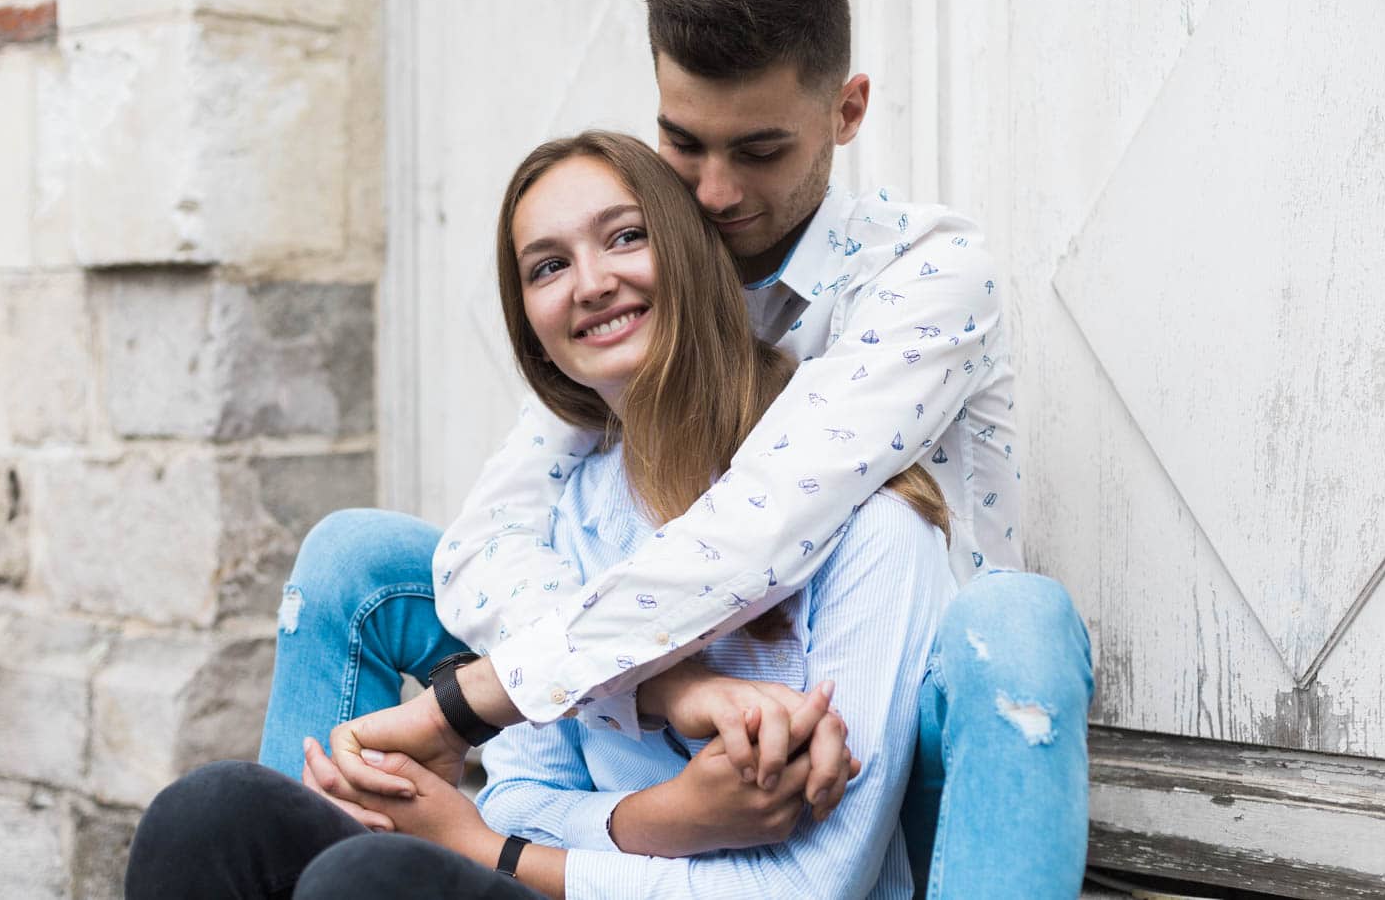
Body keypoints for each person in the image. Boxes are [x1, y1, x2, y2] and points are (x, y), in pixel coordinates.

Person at [252, 0, 1094, 897]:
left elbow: (761, 526)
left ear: (846, 110)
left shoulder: (928, 276)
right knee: (357, 560)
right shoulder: (656, 266)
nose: (715, 191)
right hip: (687, 702)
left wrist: (467, 707)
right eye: (684, 144)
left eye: (760, 149)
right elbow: (497, 527)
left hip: (910, 705)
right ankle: (290, 860)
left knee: (1021, 619)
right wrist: (659, 691)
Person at [126, 131, 960, 898]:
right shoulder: (561, 518)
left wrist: (491, 848)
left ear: (692, 250)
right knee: (208, 811)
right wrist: (663, 816)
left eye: (625, 236)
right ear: (531, 321)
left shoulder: (876, 529)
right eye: (547, 266)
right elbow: (521, 794)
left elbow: (810, 886)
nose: (592, 283)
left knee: (369, 879)